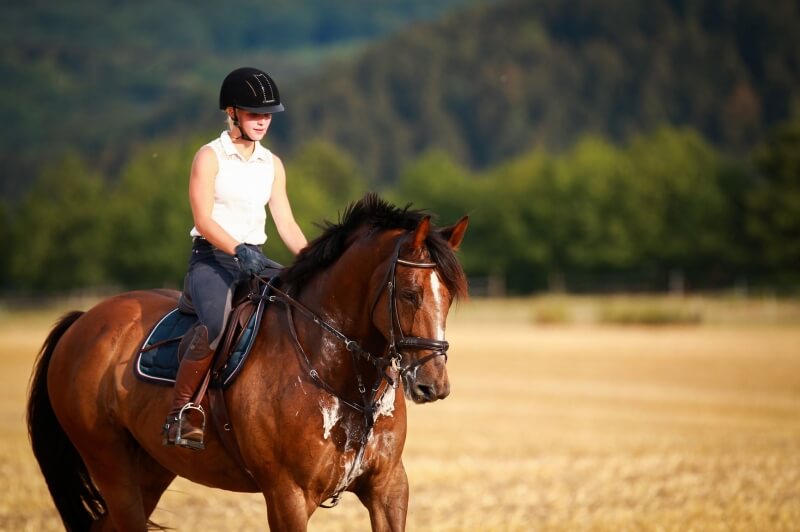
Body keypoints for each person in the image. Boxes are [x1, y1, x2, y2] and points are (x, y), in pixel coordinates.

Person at [163, 67, 308, 449]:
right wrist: (237, 248)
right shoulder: (209, 157)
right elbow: (203, 219)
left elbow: (287, 223)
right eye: (253, 114)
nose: (262, 121)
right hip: (212, 260)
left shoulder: (272, 164)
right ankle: (182, 412)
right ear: (232, 113)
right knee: (215, 324)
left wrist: (314, 259)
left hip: (255, 259)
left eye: (267, 115)